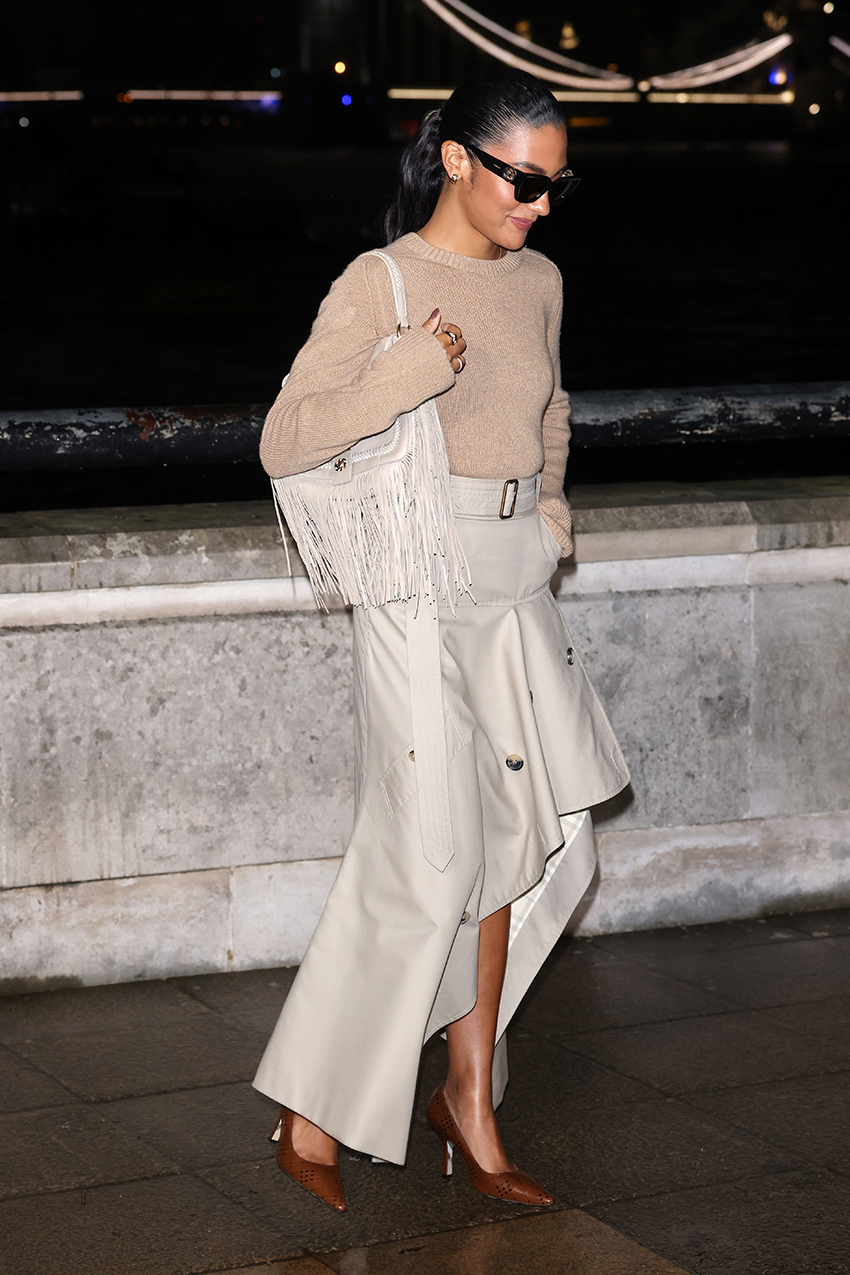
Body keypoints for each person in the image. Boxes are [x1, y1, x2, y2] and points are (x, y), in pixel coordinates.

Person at [253, 67, 629, 1213]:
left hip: (513, 580)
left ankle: (468, 1101)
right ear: (457, 159)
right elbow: (286, 439)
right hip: (419, 583)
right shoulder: (381, 283)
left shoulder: (542, 281)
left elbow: (551, 410)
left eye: (557, 184)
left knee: (520, 842)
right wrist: (414, 369)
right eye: (524, 178)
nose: (541, 204)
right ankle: (313, 1112)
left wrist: (552, 514)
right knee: (430, 856)